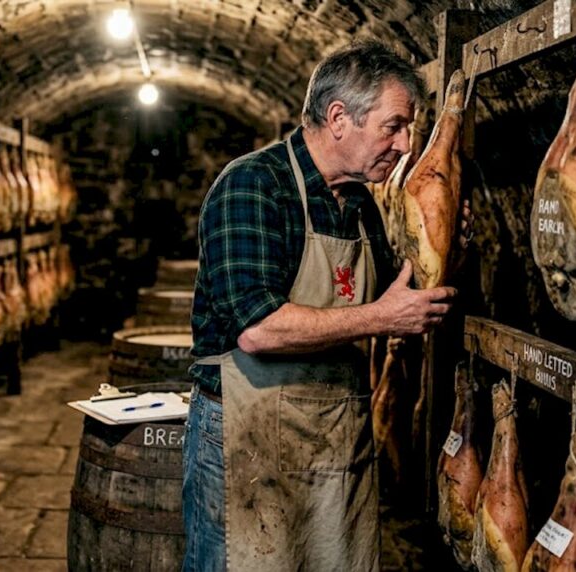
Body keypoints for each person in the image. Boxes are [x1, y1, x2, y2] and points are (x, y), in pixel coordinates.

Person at [182, 40, 472, 571]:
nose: (405, 145)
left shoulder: (359, 202)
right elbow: (258, 330)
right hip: (252, 441)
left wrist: (448, 244)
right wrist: (382, 318)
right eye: (394, 126)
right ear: (339, 117)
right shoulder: (252, 185)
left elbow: (396, 299)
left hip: (337, 439)